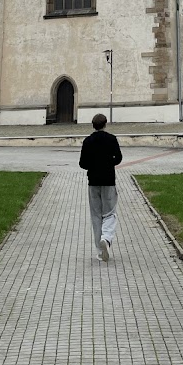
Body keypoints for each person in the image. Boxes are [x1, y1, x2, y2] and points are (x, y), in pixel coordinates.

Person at [79, 112, 122, 262]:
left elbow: (82, 163)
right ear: (105, 124)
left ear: (93, 125)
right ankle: (107, 238)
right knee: (110, 212)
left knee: (96, 215)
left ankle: (99, 250)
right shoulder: (112, 139)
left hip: (93, 181)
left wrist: (93, 165)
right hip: (109, 180)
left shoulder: (87, 141)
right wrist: (109, 163)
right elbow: (119, 158)